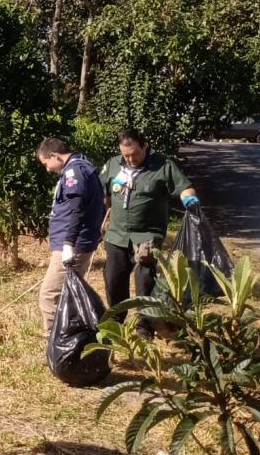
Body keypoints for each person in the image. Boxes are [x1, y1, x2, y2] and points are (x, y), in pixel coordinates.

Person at [99, 128, 199, 338]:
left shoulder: (163, 165)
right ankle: (116, 323)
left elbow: (184, 187)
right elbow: (103, 195)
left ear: (145, 146)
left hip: (147, 236)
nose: (130, 159)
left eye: (134, 153)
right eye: (125, 155)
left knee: (145, 282)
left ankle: (144, 326)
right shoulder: (113, 164)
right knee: (113, 279)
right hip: (116, 235)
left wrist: (191, 202)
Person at [36, 137, 107, 337]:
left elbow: (77, 210)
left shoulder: (74, 171)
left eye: (46, 163)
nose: (47, 169)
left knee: (50, 294)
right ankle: (73, 336)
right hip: (79, 241)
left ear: (54, 155)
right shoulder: (83, 166)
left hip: (73, 244)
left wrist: (68, 243)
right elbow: (99, 204)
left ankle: (55, 343)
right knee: (69, 293)